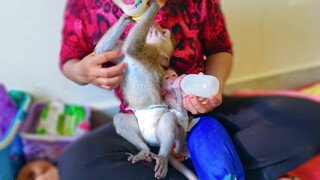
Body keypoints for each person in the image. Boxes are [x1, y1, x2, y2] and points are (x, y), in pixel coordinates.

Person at [58, 0, 320, 179]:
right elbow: (71, 61)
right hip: (141, 124)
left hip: (201, 113)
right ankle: (212, 165)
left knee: (309, 119)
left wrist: (213, 92)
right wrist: (83, 71)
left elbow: (220, 49)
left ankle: (204, 162)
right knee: (74, 162)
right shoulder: (86, 6)